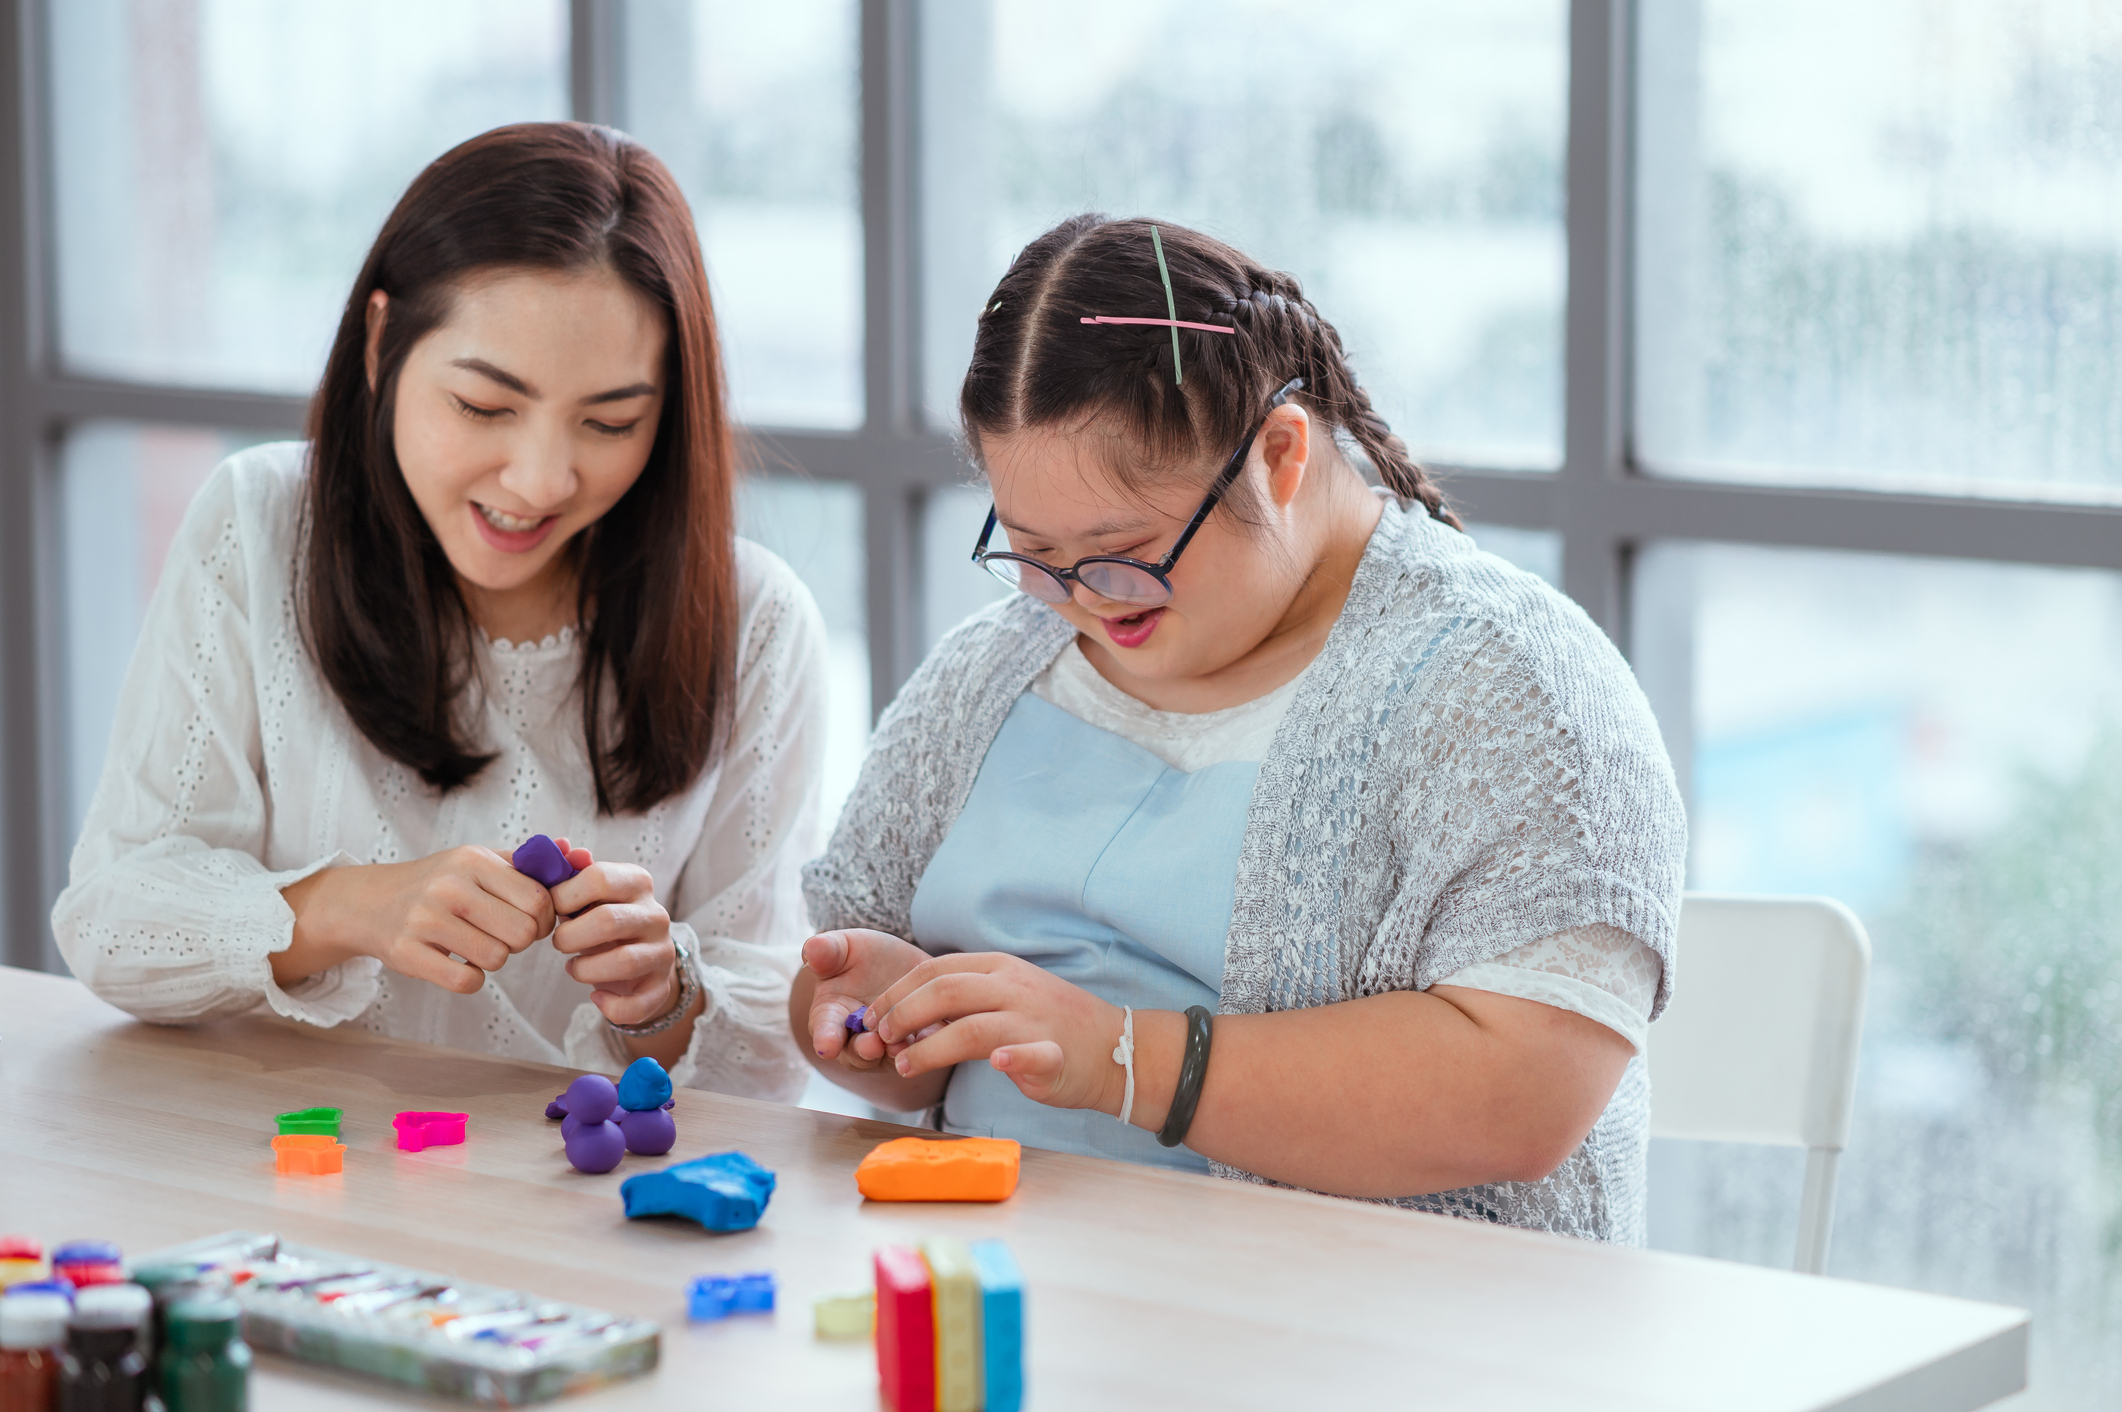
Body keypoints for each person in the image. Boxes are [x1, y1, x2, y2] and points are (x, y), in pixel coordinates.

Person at [795, 216, 1685, 1240]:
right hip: (1001, 1299)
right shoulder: (992, 667)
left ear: (1278, 454)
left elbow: (1527, 1094)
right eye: (1034, 553)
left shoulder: (1507, 681)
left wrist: (1118, 1056)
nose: (1087, 599)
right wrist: (866, 1020)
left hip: (1377, 1338)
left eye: (1124, 550)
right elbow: (856, 982)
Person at [53, 123, 827, 1099]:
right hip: (280, 1175)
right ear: (383, 343)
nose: (541, 478)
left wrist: (663, 1001)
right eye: (484, 406)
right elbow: (111, 925)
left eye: (611, 421)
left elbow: (773, 1053)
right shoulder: (260, 526)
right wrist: (344, 906)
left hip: (572, 1208)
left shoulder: (753, 624)